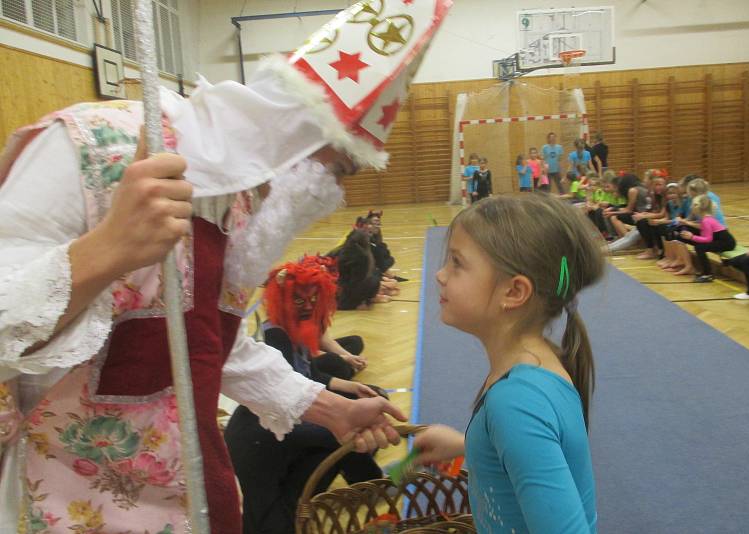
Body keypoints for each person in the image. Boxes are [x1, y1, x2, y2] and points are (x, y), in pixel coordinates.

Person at [0, 0, 451, 529]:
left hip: (188, 495)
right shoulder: (90, 150)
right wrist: (108, 250)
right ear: (292, 132)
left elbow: (207, 343)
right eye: (341, 166)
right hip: (59, 502)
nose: (335, 191)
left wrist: (328, 408)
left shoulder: (239, 203)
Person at [413, 194, 603, 533]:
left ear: (514, 292)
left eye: (457, 262)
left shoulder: (515, 402)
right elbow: (531, 445)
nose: (441, 275)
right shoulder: (538, 362)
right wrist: (466, 444)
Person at [225, 260, 383, 533]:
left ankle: (354, 485)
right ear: (283, 300)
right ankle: (370, 482)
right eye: (299, 300)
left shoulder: (299, 329)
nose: (308, 306)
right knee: (265, 524)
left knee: (356, 420)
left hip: (286, 422)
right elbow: (288, 391)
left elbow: (310, 377)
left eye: (313, 299)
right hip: (258, 437)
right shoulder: (277, 334)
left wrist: (352, 389)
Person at [680, 194, 737, 282]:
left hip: (727, 243)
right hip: (721, 240)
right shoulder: (705, 219)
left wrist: (692, 237)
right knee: (699, 247)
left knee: (700, 247)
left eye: (693, 205)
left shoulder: (706, 220)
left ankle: (707, 274)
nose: (691, 207)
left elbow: (707, 239)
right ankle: (706, 272)